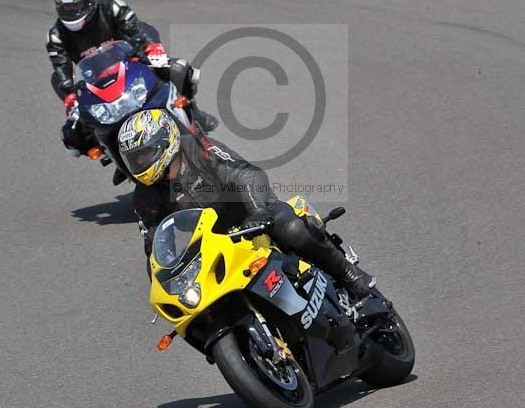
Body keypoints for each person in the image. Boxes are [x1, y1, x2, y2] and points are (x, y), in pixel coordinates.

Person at [118, 108, 376, 296]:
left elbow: (245, 173)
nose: (141, 163)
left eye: (145, 153)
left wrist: (257, 211)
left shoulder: (197, 148)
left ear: (166, 141)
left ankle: (349, 275)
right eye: (135, 158)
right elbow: (154, 245)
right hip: (216, 246)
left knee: (292, 229)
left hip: (253, 215)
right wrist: (164, 282)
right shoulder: (145, 197)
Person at [46, 0, 217, 179]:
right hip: (96, 85)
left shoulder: (112, 8)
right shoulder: (56, 35)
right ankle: (116, 157)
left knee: (179, 69)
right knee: (72, 136)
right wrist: (70, 98)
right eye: (64, 7)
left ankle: (194, 112)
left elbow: (138, 29)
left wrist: (152, 48)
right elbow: (60, 70)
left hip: (131, 66)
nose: (70, 12)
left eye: (75, 6)